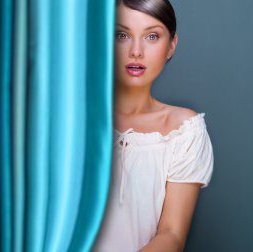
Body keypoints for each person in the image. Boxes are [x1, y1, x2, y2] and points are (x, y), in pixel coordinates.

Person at [93, 0, 214, 251]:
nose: (136, 51)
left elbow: (172, 234)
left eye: (151, 36)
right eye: (122, 34)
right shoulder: (72, 122)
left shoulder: (183, 130)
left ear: (171, 45)